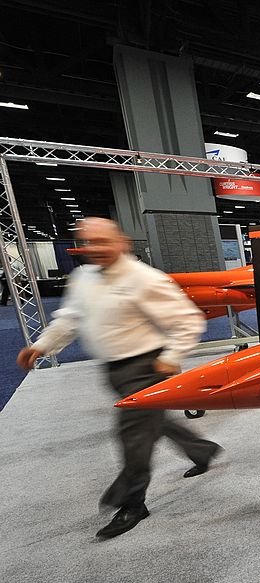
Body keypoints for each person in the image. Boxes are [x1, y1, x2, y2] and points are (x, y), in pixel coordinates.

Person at [15, 218, 222, 539]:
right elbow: (71, 318)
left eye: (102, 241)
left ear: (122, 242)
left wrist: (170, 357)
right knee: (152, 422)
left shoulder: (145, 279)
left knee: (133, 437)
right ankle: (202, 450)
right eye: (88, 243)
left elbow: (188, 321)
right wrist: (43, 345)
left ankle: (132, 502)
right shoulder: (82, 277)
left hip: (147, 368)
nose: (95, 249)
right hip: (113, 369)